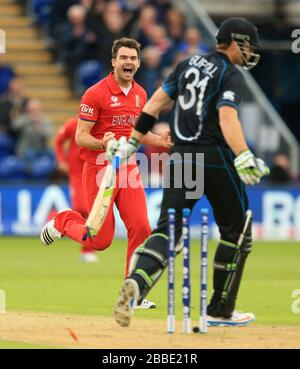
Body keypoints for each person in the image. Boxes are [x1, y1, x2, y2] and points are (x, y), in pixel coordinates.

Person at [111, 18, 270, 327]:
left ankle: (137, 285)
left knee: (168, 231)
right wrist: (245, 155)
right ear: (236, 42)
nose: (249, 52)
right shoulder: (230, 73)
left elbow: (155, 103)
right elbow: (227, 119)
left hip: (182, 158)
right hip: (214, 157)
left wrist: (132, 141)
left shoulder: (187, 64)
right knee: (237, 232)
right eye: (248, 45)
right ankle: (220, 310)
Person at [40, 38, 171, 309]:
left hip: (128, 169)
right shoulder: (95, 93)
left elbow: (136, 133)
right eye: (123, 58)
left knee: (142, 227)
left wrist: (157, 140)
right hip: (99, 170)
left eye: (133, 58)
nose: (128, 62)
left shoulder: (141, 94)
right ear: (114, 62)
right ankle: (63, 221)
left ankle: (133, 292)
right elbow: (80, 137)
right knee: (100, 240)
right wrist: (105, 142)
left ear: (138, 62)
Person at [55, 117, 98, 262]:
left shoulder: (101, 124)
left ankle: (87, 249)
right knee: (81, 207)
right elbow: (58, 141)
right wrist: (61, 161)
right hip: (76, 172)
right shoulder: (73, 124)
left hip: (94, 169)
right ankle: (60, 221)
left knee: (91, 209)